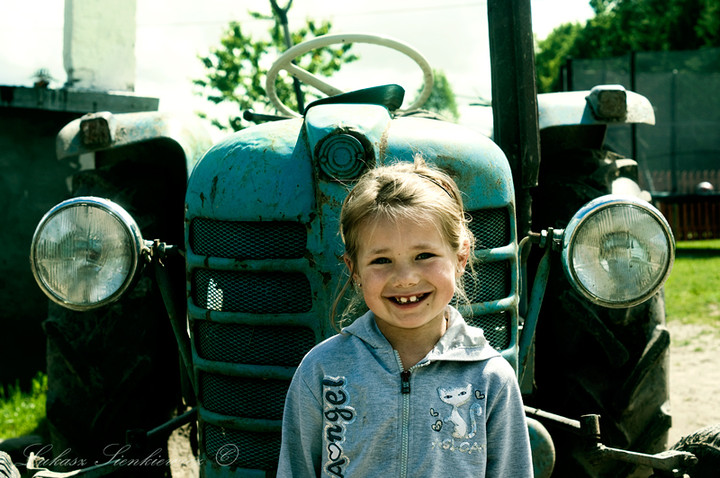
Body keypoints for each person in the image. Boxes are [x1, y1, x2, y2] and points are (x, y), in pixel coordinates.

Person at [277, 157, 533, 477]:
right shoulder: (323, 370)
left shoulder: (490, 378)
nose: (405, 278)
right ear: (354, 269)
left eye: (424, 256)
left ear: (461, 257)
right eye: (382, 260)